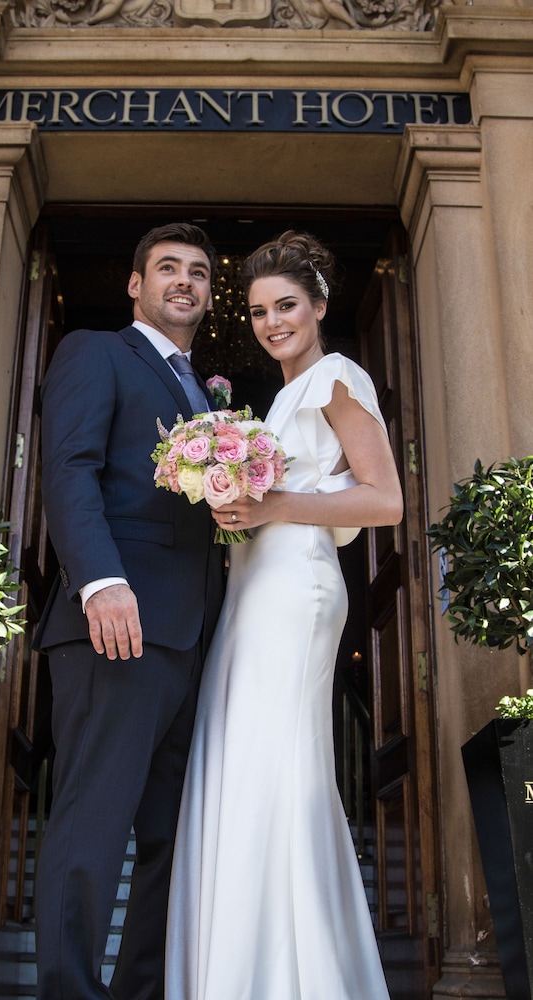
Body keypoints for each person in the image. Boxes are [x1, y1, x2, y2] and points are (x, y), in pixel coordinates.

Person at [165, 230, 403, 999]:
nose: (272, 323)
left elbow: (384, 501)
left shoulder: (336, 378)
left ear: (319, 306)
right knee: (242, 763)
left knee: (278, 766)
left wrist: (270, 506)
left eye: (286, 306)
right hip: (252, 590)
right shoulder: (276, 402)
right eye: (260, 311)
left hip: (295, 590)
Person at [34, 222, 226, 1000]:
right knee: (93, 823)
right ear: (135, 285)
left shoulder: (204, 391)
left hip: (193, 636)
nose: (184, 281)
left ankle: (139, 990)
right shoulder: (95, 352)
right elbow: (70, 467)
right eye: (167, 268)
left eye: (198, 272)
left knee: (170, 838)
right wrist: (100, 581)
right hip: (115, 627)